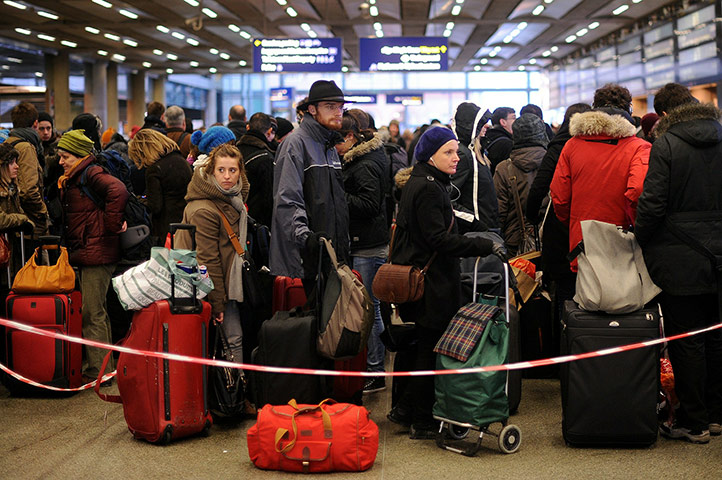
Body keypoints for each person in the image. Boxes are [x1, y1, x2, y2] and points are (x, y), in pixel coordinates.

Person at [386, 126, 504, 439]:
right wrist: (482, 244)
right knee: (429, 349)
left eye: (456, 151)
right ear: (429, 155)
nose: (456, 158)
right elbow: (438, 239)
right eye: (448, 152)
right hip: (432, 284)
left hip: (424, 280)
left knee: (422, 347)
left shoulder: (424, 181)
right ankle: (420, 419)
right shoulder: (428, 187)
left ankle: (407, 410)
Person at [635, 83, 722, 444]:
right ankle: (717, 416)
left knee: (686, 339)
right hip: (718, 254)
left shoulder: (666, 143)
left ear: (666, 114)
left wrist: (640, 235)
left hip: (679, 254)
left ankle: (694, 421)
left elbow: (653, 201)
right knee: (716, 336)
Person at [550, 84, 651, 272]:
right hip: (624, 238)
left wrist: (574, 222)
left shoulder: (571, 145)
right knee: (626, 294)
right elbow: (638, 192)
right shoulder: (639, 147)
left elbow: (559, 196)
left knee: (589, 294)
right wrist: (636, 226)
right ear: (628, 109)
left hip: (583, 239)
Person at [57, 129, 129, 384]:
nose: (61, 161)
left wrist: (110, 225)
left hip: (96, 252)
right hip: (91, 250)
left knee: (92, 313)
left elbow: (118, 190)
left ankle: (100, 371)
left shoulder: (91, 173)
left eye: (65, 156)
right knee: (97, 311)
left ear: (78, 155)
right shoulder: (79, 175)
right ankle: (105, 367)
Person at [270, 79, 350, 293]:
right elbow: (287, 199)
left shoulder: (329, 145)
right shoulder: (295, 144)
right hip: (309, 258)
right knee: (315, 322)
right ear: (312, 109)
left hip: (332, 254)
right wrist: (307, 239)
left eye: (340, 107)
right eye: (330, 106)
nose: (338, 112)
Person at [176, 144, 250, 363]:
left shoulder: (230, 198)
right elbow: (207, 260)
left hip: (224, 281)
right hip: (214, 287)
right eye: (221, 170)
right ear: (210, 171)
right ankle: (233, 393)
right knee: (233, 340)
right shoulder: (204, 208)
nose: (227, 176)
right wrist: (218, 303)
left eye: (233, 170)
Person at [335, 109, 389, 394]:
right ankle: (373, 365)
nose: (335, 147)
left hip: (368, 245)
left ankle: (376, 370)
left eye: (338, 141)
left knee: (370, 309)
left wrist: (338, 196)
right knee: (372, 307)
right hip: (367, 242)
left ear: (351, 136)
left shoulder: (364, 164)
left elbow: (369, 205)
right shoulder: (365, 158)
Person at [526, 103, 591, 328]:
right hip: (593, 234)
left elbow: (544, 188)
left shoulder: (559, 146)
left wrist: (533, 216)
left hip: (563, 235)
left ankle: (562, 346)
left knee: (564, 295)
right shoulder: (600, 146)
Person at [493, 113, 549, 256]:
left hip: (516, 243)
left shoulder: (504, 168)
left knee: (521, 278)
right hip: (550, 237)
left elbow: (500, 212)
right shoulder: (554, 164)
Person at [128, 129, 193, 246]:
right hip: (186, 221)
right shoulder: (181, 160)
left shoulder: (154, 170)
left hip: (166, 229)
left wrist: (139, 200)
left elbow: (155, 206)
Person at [450, 101, 499, 233]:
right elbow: (447, 199)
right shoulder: (463, 155)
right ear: (470, 127)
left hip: (486, 228)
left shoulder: (476, 153)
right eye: (481, 123)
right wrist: (474, 221)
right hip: (475, 233)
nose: (487, 126)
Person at [6, 102, 48, 239]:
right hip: (29, 224)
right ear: (35, 123)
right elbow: (28, 191)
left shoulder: (6, 144)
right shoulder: (26, 148)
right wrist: (43, 212)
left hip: (11, 221)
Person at [0, 143, 34, 284]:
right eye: (12, 163)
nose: (17, 166)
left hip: (10, 255)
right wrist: (21, 219)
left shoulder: (12, 188)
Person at [237, 112, 276, 227]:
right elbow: (269, 200)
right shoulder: (266, 158)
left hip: (233, 217)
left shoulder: (233, 151)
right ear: (269, 131)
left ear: (248, 127)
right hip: (256, 222)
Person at [482, 107, 516, 175]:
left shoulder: (487, 137)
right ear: (503, 122)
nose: (517, 121)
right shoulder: (507, 144)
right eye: (513, 118)